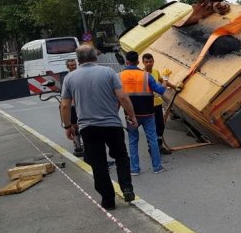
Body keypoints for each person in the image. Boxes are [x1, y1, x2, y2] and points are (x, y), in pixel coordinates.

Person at [60, 45, 137, 210]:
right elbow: (122, 97)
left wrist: (67, 126)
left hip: (88, 128)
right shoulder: (109, 72)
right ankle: (126, 187)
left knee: (98, 163)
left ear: (78, 59)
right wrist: (132, 116)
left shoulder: (70, 78)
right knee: (121, 157)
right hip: (112, 125)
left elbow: (65, 105)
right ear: (95, 56)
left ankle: (108, 200)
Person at [119, 51, 172, 175]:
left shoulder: (119, 76)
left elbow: (118, 97)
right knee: (152, 139)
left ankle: (134, 169)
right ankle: (157, 167)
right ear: (138, 62)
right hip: (148, 114)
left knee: (132, 141)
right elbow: (160, 90)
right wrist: (165, 79)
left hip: (130, 116)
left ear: (126, 62)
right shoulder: (146, 76)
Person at [142, 53, 175, 155]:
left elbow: (160, 80)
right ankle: (151, 147)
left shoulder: (155, 71)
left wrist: (174, 86)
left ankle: (159, 146)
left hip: (157, 104)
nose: (148, 64)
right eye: (146, 62)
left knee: (160, 125)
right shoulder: (142, 75)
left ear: (153, 61)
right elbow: (161, 88)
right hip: (148, 105)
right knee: (151, 127)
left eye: (150, 61)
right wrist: (165, 79)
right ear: (143, 63)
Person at [64, 59, 84, 157]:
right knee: (74, 125)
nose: (73, 66)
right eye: (71, 65)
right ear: (67, 67)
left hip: (82, 104)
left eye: (74, 64)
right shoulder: (67, 78)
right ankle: (77, 143)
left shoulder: (81, 75)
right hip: (72, 105)